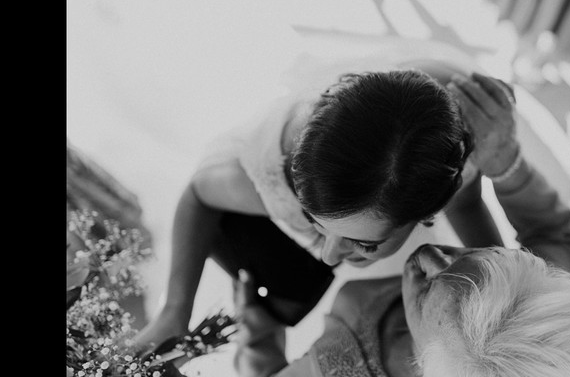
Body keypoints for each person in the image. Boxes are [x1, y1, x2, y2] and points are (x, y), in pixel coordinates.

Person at [231, 72, 570, 377]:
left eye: (428, 294)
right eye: (483, 264)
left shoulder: (336, 365)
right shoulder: (561, 326)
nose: (427, 253)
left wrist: (257, 329)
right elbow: (559, 238)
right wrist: (506, 164)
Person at [132, 59, 506, 356]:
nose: (329, 256)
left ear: (429, 212)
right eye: (314, 220)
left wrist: (505, 289)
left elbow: (468, 207)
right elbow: (197, 193)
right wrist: (175, 311)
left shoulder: (460, 152)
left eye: (366, 244)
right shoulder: (274, 172)